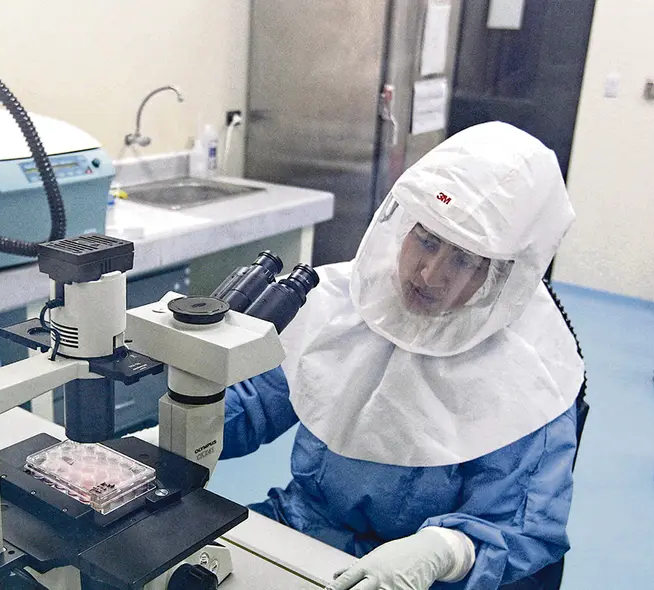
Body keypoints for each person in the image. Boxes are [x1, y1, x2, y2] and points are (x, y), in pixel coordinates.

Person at [221, 122, 584, 590]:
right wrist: (178, 422)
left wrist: (442, 552)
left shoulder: (528, 378)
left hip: (423, 577)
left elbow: (521, 528)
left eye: (464, 261)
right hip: (299, 530)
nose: (429, 274)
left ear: (501, 275)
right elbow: (253, 404)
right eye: (427, 240)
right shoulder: (343, 304)